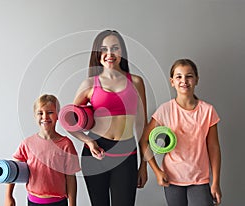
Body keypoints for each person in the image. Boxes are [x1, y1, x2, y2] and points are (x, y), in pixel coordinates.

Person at [69, 30, 148, 206]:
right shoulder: (89, 84)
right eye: (104, 49)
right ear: (97, 54)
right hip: (96, 152)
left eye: (115, 48)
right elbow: (69, 121)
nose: (110, 54)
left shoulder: (135, 82)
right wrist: (88, 142)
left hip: (126, 152)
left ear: (122, 52)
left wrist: (144, 164)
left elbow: (142, 125)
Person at [140, 59, 222, 205]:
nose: (184, 80)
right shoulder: (165, 110)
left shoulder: (207, 111)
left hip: (200, 179)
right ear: (172, 81)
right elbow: (144, 141)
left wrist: (215, 182)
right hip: (172, 179)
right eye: (179, 77)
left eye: (189, 76)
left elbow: (214, 148)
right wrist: (157, 171)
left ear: (196, 80)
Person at [4, 94, 81, 206]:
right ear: (35, 116)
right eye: (40, 113)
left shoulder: (66, 145)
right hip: (33, 202)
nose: (45, 117)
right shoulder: (27, 144)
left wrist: (72, 203)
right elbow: (13, 170)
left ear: (58, 115)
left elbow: (70, 177)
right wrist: (8, 196)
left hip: (59, 203)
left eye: (50, 112)